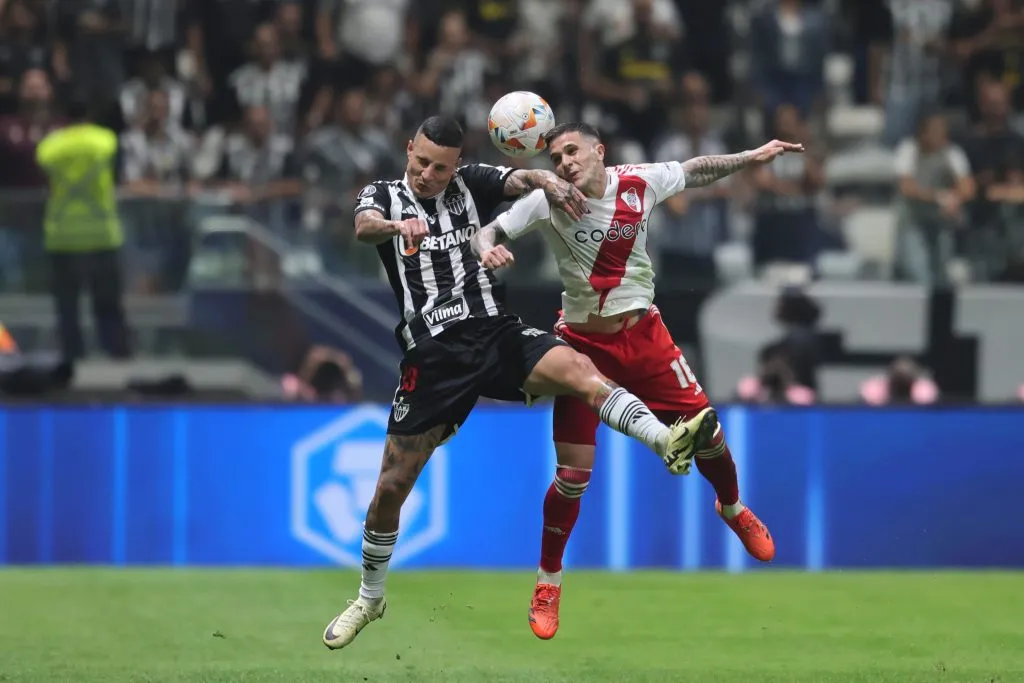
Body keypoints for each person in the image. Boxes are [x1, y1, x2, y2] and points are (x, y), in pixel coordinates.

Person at [321, 115, 718, 650]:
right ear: (407, 149)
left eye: (441, 168)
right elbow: (363, 225)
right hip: (435, 354)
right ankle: (370, 598)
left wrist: (548, 180)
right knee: (391, 487)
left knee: (579, 369)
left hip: (494, 332)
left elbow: (519, 181)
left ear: (456, 166)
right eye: (421, 162)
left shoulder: (468, 182)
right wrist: (398, 228)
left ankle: (665, 438)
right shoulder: (385, 195)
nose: (428, 175)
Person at [470, 122, 804, 640]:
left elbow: (697, 170)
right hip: (581, 349)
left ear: (599, 152)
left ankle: (733, 509)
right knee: (572, 477)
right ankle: (548, 582)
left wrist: (753, 155)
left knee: (709, 434)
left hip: (644, 338)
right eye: (556, 158)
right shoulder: (547, 199)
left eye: (573, 152)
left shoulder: (639, 182)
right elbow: (488, 229)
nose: (564, 164)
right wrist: (486, 248)